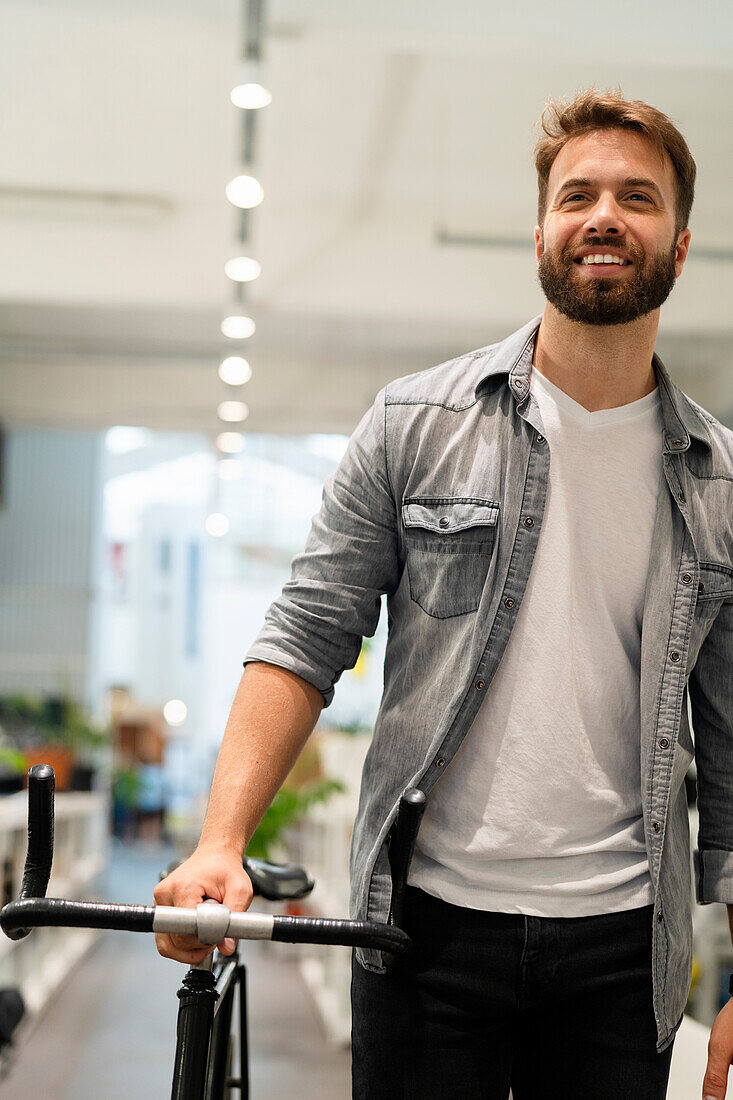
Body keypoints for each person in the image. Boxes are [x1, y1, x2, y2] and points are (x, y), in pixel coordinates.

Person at [154, 89, 733, 1099]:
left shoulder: (720, 480)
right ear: (541, 233)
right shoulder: (414, 424)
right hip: (423, 929)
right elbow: (304, 636)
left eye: (636, 198)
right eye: (577, 194)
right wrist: (220, 840)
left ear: (678, 248)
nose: (603, 214)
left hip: (619, 948)